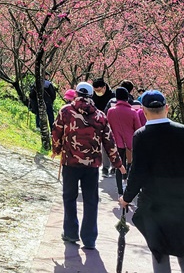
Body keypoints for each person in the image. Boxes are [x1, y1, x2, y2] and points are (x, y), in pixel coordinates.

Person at [119, 89, 184, 273]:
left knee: (159, 251)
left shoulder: (141, 135)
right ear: (167, 108)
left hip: (155, 206)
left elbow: (137, 172)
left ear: (144, 112)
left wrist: (126, 198)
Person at [52, 82, 126, 251]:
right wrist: (118, 164)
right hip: (92, 165)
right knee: (91, 201)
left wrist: (56, 150)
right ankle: (90, 238)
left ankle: (70, 233)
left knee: (69, 198)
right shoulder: (100, 116)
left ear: (76, 93)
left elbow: (57, 132)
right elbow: (109, 142)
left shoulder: (65, 111)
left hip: (70, 163)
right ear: (92, 96)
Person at [106, 86, 146, 194]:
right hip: (131, 143)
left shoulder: (111, 111)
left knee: (120, 165)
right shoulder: (133, 112)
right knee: (130, 166)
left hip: (116, 143)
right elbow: (138, 128)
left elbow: (108, 127)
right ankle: (129, 189)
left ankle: (120, 190)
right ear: (127, 98)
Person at [91, 78, 116, 177]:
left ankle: (114, 167)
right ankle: (105, 168)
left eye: (99, 90)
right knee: (102, 146)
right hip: (97, 123)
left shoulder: (113, 96)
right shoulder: (94, 96)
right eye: (95, 90)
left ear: (104, 87)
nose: (97, 92)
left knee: (112, 145)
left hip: (111, 123)